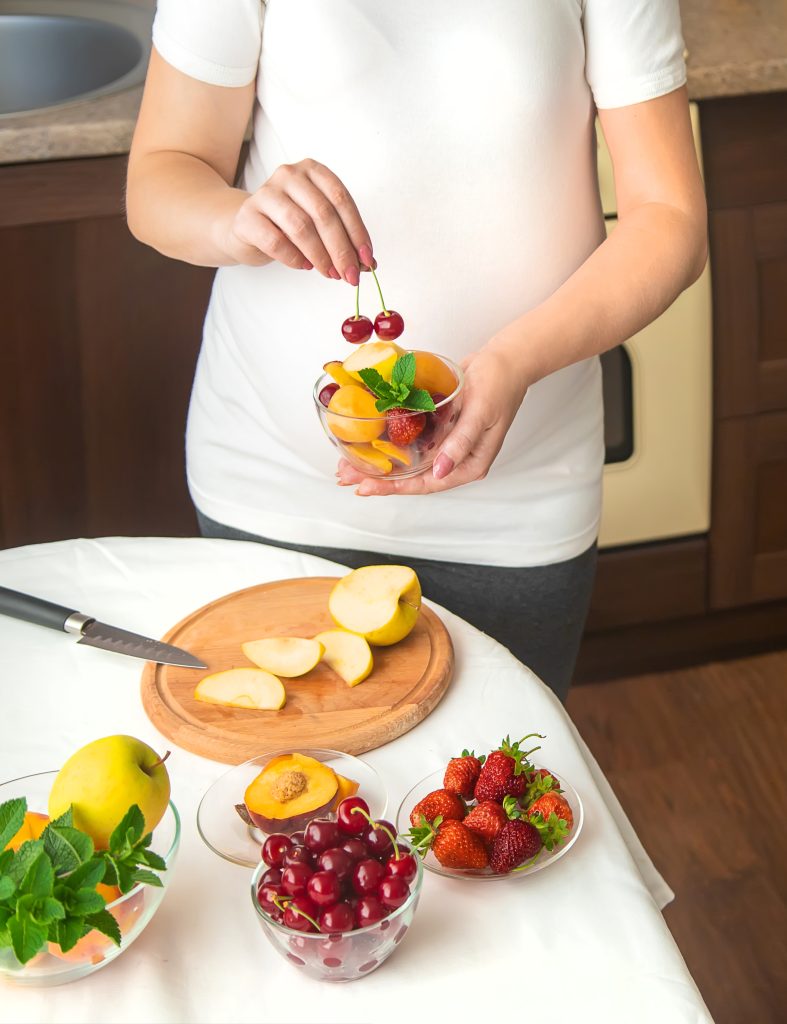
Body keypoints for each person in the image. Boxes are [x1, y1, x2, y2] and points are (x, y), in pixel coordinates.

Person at [126, 0, 707, 703]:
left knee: (494, 789)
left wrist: (516, 359)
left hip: (518, 504)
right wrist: (236, 219)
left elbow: (669, 217)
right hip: (270, 489)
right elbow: (162, 174)